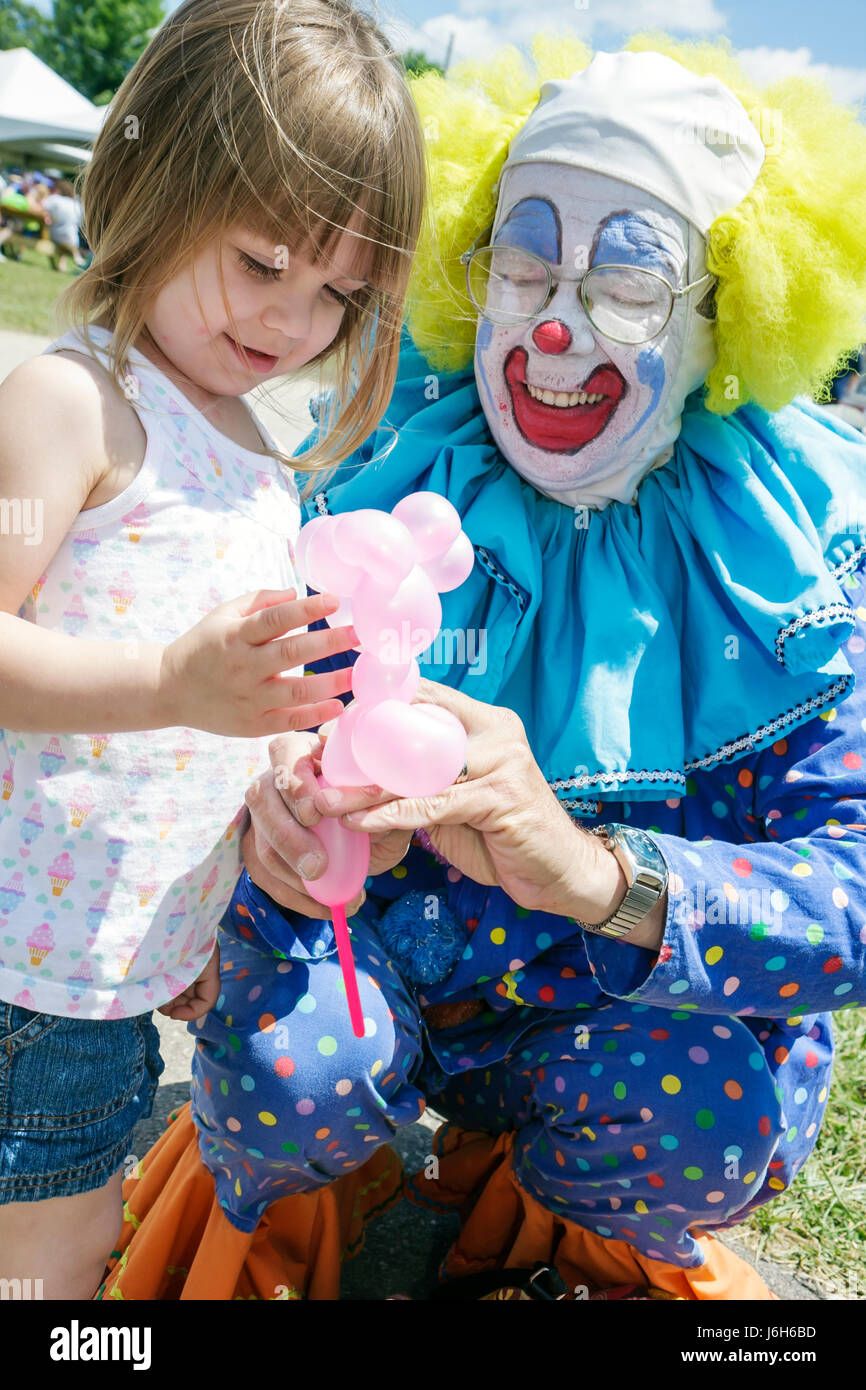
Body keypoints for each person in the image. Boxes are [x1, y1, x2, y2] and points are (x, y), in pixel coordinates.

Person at [100, 35, 866, 1302]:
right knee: (294, 1073)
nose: (556, 323)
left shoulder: (787, 560)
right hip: (385, 971)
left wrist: (593, 876)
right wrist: (272, 818)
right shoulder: (388, 463)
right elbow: (231, 706)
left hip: (614, 1033)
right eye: (523, 262)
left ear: (729, 308)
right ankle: (303, 1198)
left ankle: (549, 1232)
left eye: (630, 285)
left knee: (702, 1116)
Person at [0, 0, 425, 1301]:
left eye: (338, 294)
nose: (293, 316)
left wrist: (284, 790)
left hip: (113, 972)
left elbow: (219, 714)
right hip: (24, 968)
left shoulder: (259, 459)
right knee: (54, 1271)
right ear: (158, 174)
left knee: (64, 1248)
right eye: (261, 260)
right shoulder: (82, 399)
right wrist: (169, 684)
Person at [41, 178, 86, 273]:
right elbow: (80, 221)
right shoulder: (76, 204)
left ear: (58, 189)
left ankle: (72, 259)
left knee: (63, 239)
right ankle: (75, 256)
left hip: (55, 232)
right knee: (68, 238)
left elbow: (43, 206)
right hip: (71, 236)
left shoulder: (55, 199)